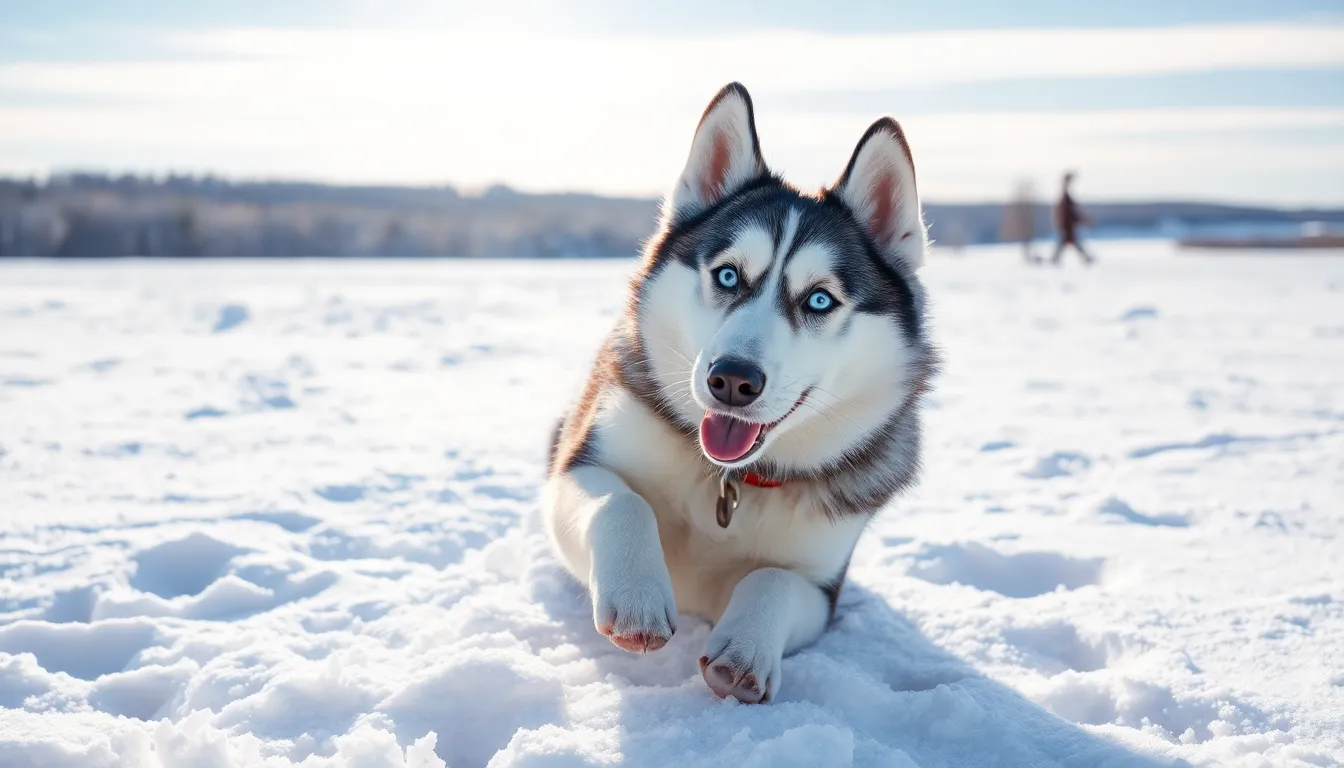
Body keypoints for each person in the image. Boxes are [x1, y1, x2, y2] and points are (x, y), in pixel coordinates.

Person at [1051, 171, 1095, 265]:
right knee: (1069, 243)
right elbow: (1070, 213)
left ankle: (1054, 260)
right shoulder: (1065, 198)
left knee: (1068, 243)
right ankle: (1054, 260)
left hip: (1067, 226)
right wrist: (1081, 220)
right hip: (1066, 226)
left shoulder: (1065, 197)